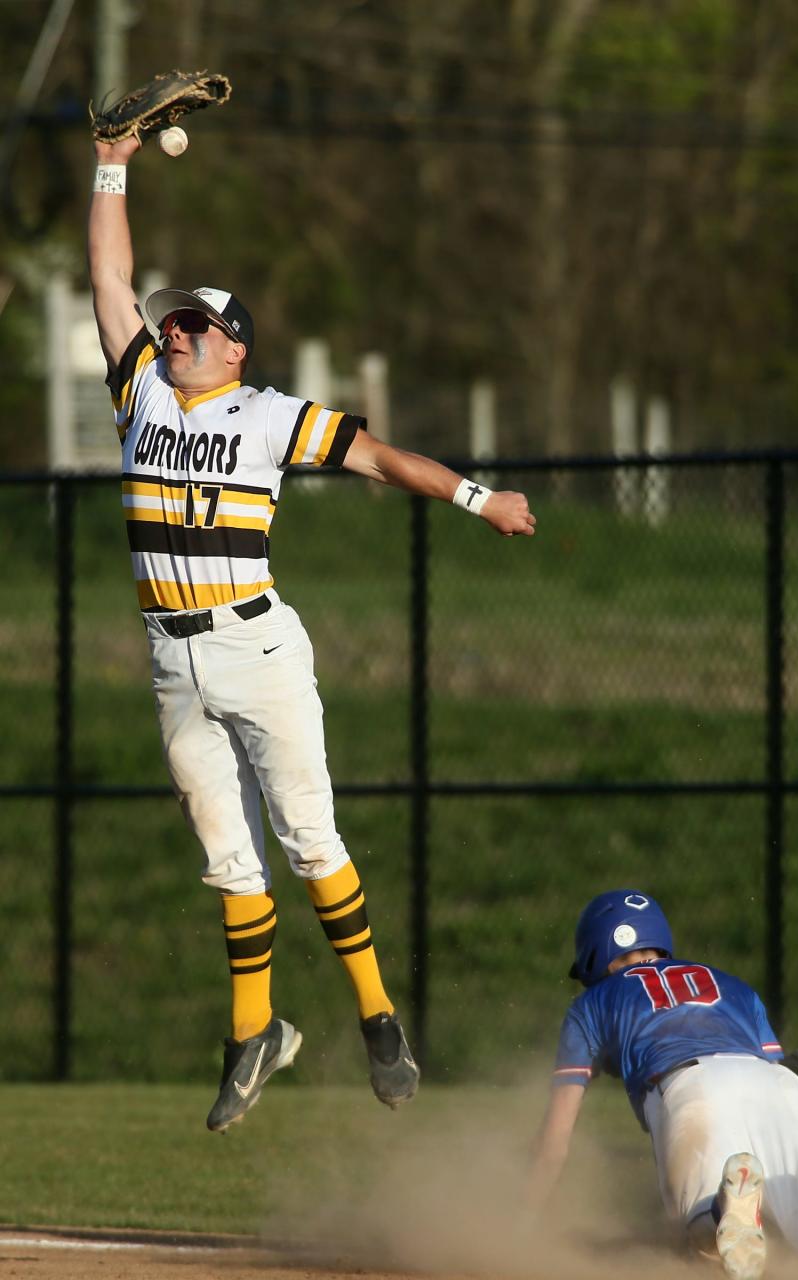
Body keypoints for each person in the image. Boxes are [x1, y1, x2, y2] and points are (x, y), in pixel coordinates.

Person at [86, 134, 536, 1135]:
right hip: (173, 657)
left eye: (201, 327)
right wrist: (112, 159)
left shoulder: (267, 415)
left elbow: (377, 458)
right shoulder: (142, 393)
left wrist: (476, 496)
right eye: (178, 324)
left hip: (257, 648)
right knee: (225, 856)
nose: (180, 334)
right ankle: (255, 1032)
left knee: (309, 840)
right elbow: (110, 276)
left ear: (238, 347)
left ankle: (378, 1015)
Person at [525, 890, 798, 1279]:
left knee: (698, 1244)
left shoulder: (591, 1004)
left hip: (690, 1088)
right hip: (778, 1084)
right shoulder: (730, 983)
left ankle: (724, 1209)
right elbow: (787, 1068)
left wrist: (523, 1223)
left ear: (597, 956)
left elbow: (555, 1141)